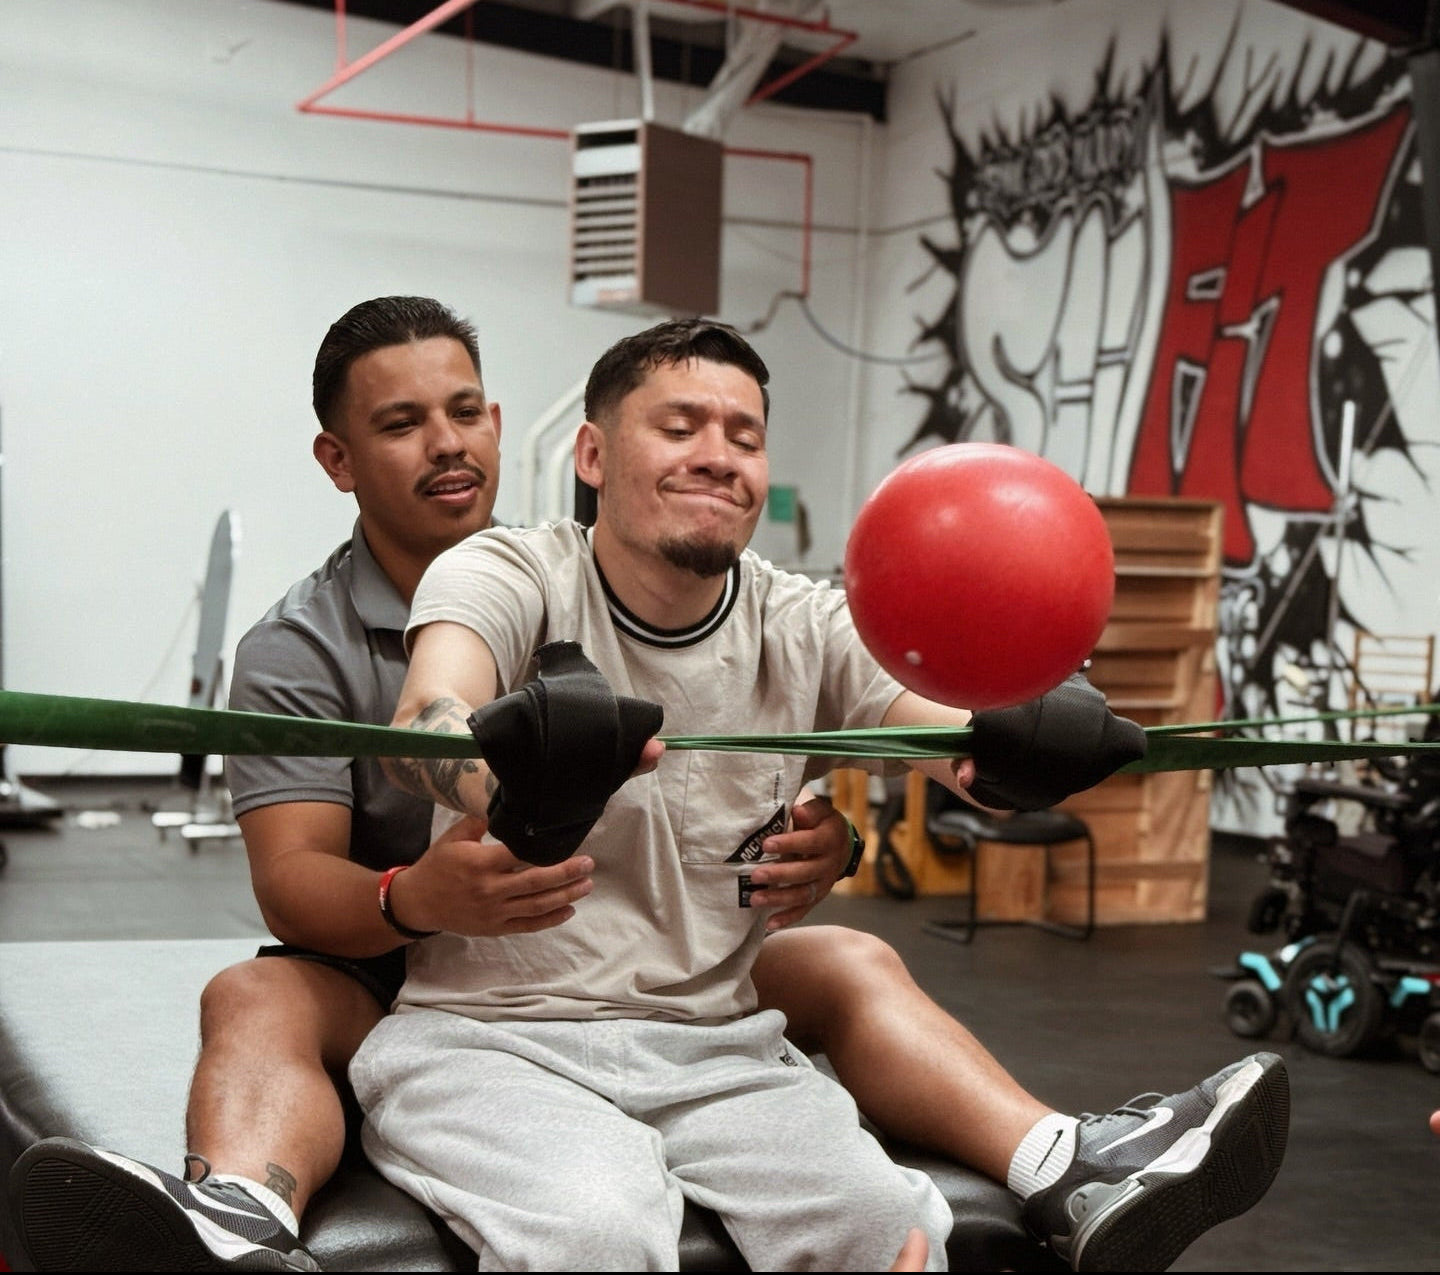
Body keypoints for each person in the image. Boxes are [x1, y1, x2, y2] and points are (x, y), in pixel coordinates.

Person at [6, 299, 1286, 1272]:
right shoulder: (473, 584)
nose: (718, 455)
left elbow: (937, 733)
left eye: (744, 436)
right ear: (594, 452)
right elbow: (426, 723)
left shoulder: (801, 617)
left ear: (506, 430)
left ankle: (1067, 1158)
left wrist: (1015, 743)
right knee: (580, 1214)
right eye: (680, 426)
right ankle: (237, 1206)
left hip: (704, 1024)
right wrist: (485, 772)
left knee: (890, 1212)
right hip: (456, 1000)